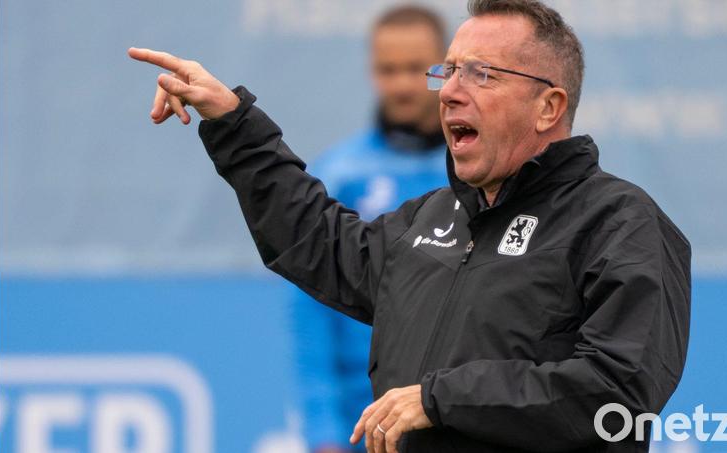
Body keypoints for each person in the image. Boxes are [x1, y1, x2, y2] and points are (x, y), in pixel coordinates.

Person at [128, 0, 692, 451]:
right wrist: (232, 121)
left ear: (549, 107)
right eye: (448, 71)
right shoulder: (432, 216)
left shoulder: (619, 222)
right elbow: (317, 243)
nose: (448, 91)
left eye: (482, 74)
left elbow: (618, 396)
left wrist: (440, 399)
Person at [290, 6, 448, 453]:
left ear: (445, 68)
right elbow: (311, 311)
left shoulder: (479, 170)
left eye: (415, 69)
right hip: (365, 426)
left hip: (458, 414)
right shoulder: (340, 175)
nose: (400, 84)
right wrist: (322, 429)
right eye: (387, 69)